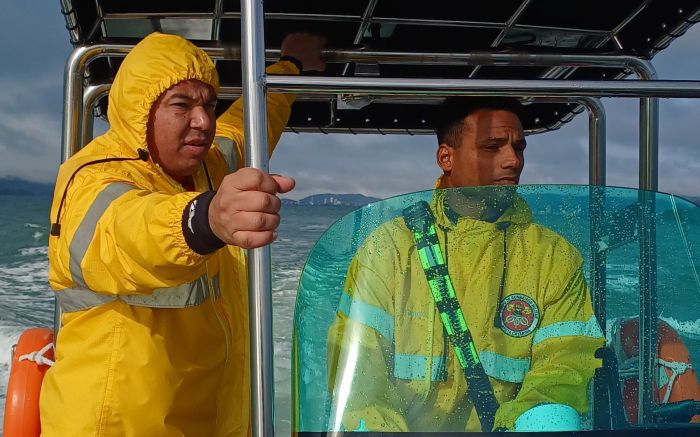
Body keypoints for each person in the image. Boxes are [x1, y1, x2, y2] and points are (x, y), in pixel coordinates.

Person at [40, 31, 324, 436]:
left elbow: (248, 124)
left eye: (209, 105)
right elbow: (125, 233)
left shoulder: (207, 166)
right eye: (181, 105)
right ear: (141, 112)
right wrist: (205, 219)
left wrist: (290, 67)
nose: (203, 121)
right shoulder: (94, 176)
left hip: (204, 418)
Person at [326, 97, 606, 432]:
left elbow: (561, 370)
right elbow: (360, 374)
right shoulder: (389, 249)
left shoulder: (554, 257)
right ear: (446, 157)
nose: (512, 160)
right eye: (492, 146)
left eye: (519, 147)